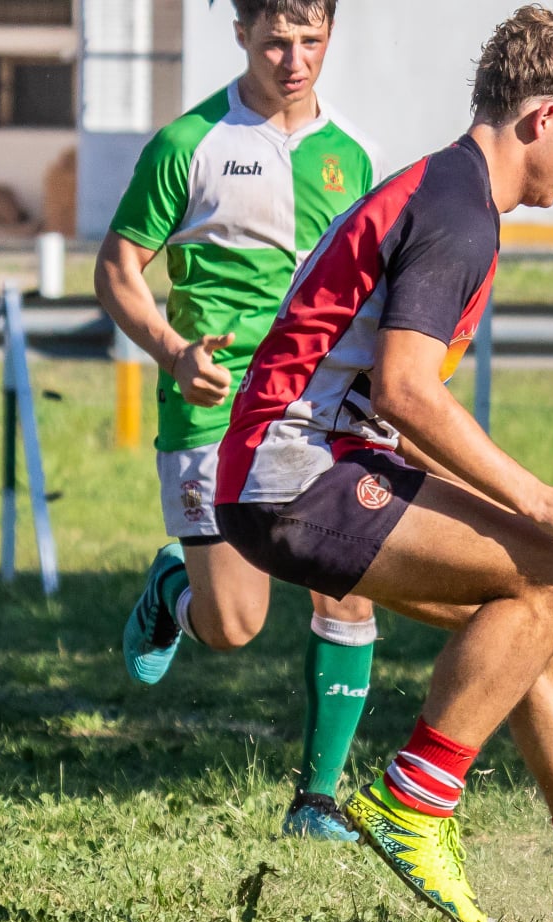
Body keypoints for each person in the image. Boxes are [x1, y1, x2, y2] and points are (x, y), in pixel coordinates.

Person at [214, 6, 553, 922]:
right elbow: (404, 390)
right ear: (543, 117)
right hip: (293, 474)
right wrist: (539, 498)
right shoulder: (458, 211)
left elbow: (400, 403)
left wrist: (525, 517)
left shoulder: (450, 191)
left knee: (538, 596)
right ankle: (415, 802)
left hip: (303, 466)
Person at [95, 0, 381, 842]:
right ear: (242, 35)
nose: (294, 60)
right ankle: (173, 589)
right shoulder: (189, 144)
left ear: (330, 37)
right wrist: (172, 348)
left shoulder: (354, 155)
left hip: (317, 406)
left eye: (311, 41)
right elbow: (117, 267)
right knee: (233, 627)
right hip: (211, 405)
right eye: (275, 41)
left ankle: (316, 801)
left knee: (348, 579)